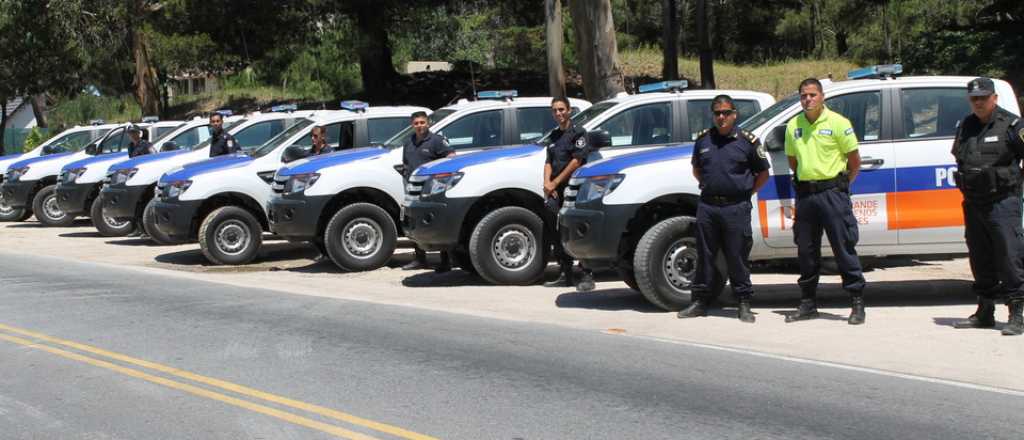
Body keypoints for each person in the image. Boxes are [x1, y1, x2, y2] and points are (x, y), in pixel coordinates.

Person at [677, 95, 770, 322]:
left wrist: (745, 193)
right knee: (705, 255)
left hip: (735, 207)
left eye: (726, 113)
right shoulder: (703, 140)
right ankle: (699, 301)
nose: (721, 117)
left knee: (736, 256)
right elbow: (697, 169)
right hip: (708, 206)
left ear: (734, 114)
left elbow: (763, 174)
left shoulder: (747, 141)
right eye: (717, 113)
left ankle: (743, 302)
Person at [784, 78, 867, 325]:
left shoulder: (839, 123)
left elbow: (854, 162)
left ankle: (857, 302)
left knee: (843, 247)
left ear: (822, 97)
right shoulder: (793, 125)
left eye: (812, 95)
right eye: (803, 96)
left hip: (833, 193)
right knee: (806, 251)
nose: (807, 99)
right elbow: (793, 162)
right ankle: (808, 304)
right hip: (807, 195)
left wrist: (840, 187)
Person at [950, 77, 1024, 336]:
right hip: (974, 202)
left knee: (1009, 257)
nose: (979, 103)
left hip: (1003, 201)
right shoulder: (966, 125)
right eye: (974, 99)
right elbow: (959, 157)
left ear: (994, 98)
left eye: (983, 97)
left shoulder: (1012, 124)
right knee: (979, 258)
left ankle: (1017, 314)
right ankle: (985, 311)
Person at [542, 96, 594, 290]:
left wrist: (555, 182)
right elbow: (548, 161)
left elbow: (576, 161)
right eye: (555, 110)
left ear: (569, 110)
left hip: (574, 188)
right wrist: (547, 184)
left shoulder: (579, 133)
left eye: (562, 109)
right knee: (556, 227)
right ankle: (566, 271)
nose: (558, 113)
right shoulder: (554, 135)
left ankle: (586, 273)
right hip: (555, 189)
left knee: (576, 228)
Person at [402, 111, 454, 272]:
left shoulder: (436, 141)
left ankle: (445, 261)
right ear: (412, 125)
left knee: (438, 223)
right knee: (414, 223)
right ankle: (420, 259)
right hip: (414, 189)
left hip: (432, 190)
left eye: (422, 122)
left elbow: (451, 156)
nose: (419, 126)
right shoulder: (408, 142)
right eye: (416, 123)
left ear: (428, 123)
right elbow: (405, 163)